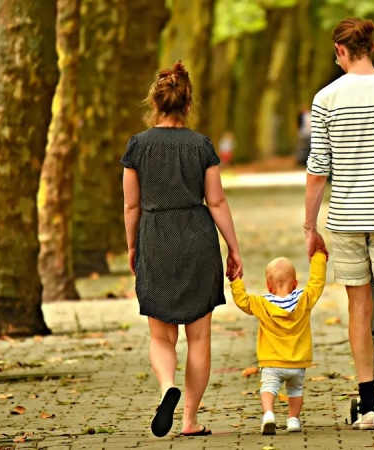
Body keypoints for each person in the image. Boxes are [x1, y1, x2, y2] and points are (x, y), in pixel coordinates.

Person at [303, 17, 374, 434]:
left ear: (341, 52)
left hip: (347, 218)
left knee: (358, 308)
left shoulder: (326, 98)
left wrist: (309, 225)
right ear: (372, 47)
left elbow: (318, 169)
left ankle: (368, 403)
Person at [121, 61, 243, 438]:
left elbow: (130, 206)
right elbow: (217, 202)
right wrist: (233, 249)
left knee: (161, 337)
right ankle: (189, 420)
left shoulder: (137, 146)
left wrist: (132, 246)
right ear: (188, 104)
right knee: (200, 339)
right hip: (197, 236)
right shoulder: (201, 145)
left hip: (155, 237)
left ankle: (166, 388)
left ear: (154, 103)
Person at [230, 252, 327, 435]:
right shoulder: (303, 299)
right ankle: (293, 420)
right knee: (295, 390)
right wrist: (319, 258)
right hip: (298, 362)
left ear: (268, 286)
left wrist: (236, 280)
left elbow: (242, 301)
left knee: (268, 388)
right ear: (295, 284)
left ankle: (268, 415)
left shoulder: (261, 303)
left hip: (271, 362)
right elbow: (317, 283)